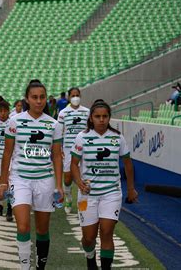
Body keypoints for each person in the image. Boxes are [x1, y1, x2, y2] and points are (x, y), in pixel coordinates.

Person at [0, 79, 63, 270]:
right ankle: (25, 267)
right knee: (23, 226)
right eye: (34, 97)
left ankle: (39, 267)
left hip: (45, 180)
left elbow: (57, 156)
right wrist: (3, 182)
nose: (39, 101)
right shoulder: (15, 121)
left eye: (42, 97)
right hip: (20, 179)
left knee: (42, 230)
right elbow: (7, 153)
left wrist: (59, 185)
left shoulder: (54, 124)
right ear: (27, 99)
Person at [71, 99, 138, 270]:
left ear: (109, 117)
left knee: (107, 232)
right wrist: (79, 183)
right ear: (91, 118)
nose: (101, 120)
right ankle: (90, 255)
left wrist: (131, 189)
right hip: (88, 195)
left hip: (111, 193)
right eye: (97, 116)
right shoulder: (82, 137)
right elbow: (74, 164)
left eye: (105, 116)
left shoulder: (117, 137)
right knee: (89, 238)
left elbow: (128, 165)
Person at [57, 87, 90, 214]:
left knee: (84, 178)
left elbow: (90, 130)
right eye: (73, 95)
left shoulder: (87, 112)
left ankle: (82, 206)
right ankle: (69, 198)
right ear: (69, 97)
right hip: (68, 149)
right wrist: (59, 148)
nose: (75, 97)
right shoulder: (63, 113)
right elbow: (59, 133)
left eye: (77, 95)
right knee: (68, 178)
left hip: (84, 150)